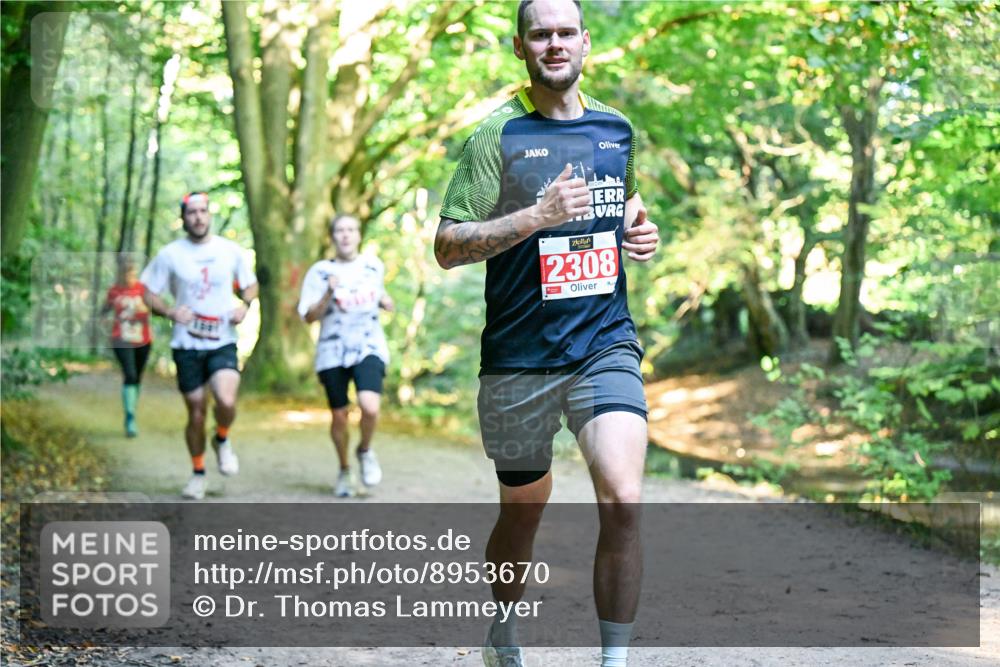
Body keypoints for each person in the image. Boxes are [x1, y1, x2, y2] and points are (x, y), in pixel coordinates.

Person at [434, 1, 660, 665]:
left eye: (566, 33)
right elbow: (447, 245)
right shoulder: (494, 136)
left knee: (623, 496)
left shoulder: (615, 129)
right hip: (518, 358)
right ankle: (503, 627)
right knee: (522, 513)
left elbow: (623, 204)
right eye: (541, 35)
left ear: (586, 43)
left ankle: (613, 659)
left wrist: (637, 227)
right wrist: (535, 215)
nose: (554, 45)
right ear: (519, 47)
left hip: (602, 343)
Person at [140, 192, 258, 500]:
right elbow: (148, 292)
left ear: (209, 215)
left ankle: (222, 438)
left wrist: (244, 306)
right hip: (187, 344)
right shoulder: (170, 255)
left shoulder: (230, 251)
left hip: (222, 341)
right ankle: (198, 472)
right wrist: (168, 311)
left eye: (203, 211)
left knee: (226, 400)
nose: (198, 217)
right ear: (183, 217)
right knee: (196, 412)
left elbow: (250, 285)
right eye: (192, 212)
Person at [298, 214, 393, 497]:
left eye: (351, 229)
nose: (346, 235)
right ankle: (344, 470)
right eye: (340, 230)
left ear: (359, 235)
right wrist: (329, 291)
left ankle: (364, 450)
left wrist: (387, 301)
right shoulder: (319, 272)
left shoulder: (373, 266)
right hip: (332, 350)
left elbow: (381, 295)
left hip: (368, 344)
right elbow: (308, 316)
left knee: (370, 406)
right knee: (339, 416)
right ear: (332, 236)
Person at [102, 257, 152, 438]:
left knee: (137, 377)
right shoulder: (114, 291)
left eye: (133, 273)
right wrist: (107, 322)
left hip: (143, 339)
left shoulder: (142, 290)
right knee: (130, 374)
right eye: (127, 273)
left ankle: (132, 408)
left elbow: (155, 309)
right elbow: (104, 311)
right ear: (121, 274)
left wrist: (145, 309)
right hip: (121, 339)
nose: (130, 277)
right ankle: (130, 417)